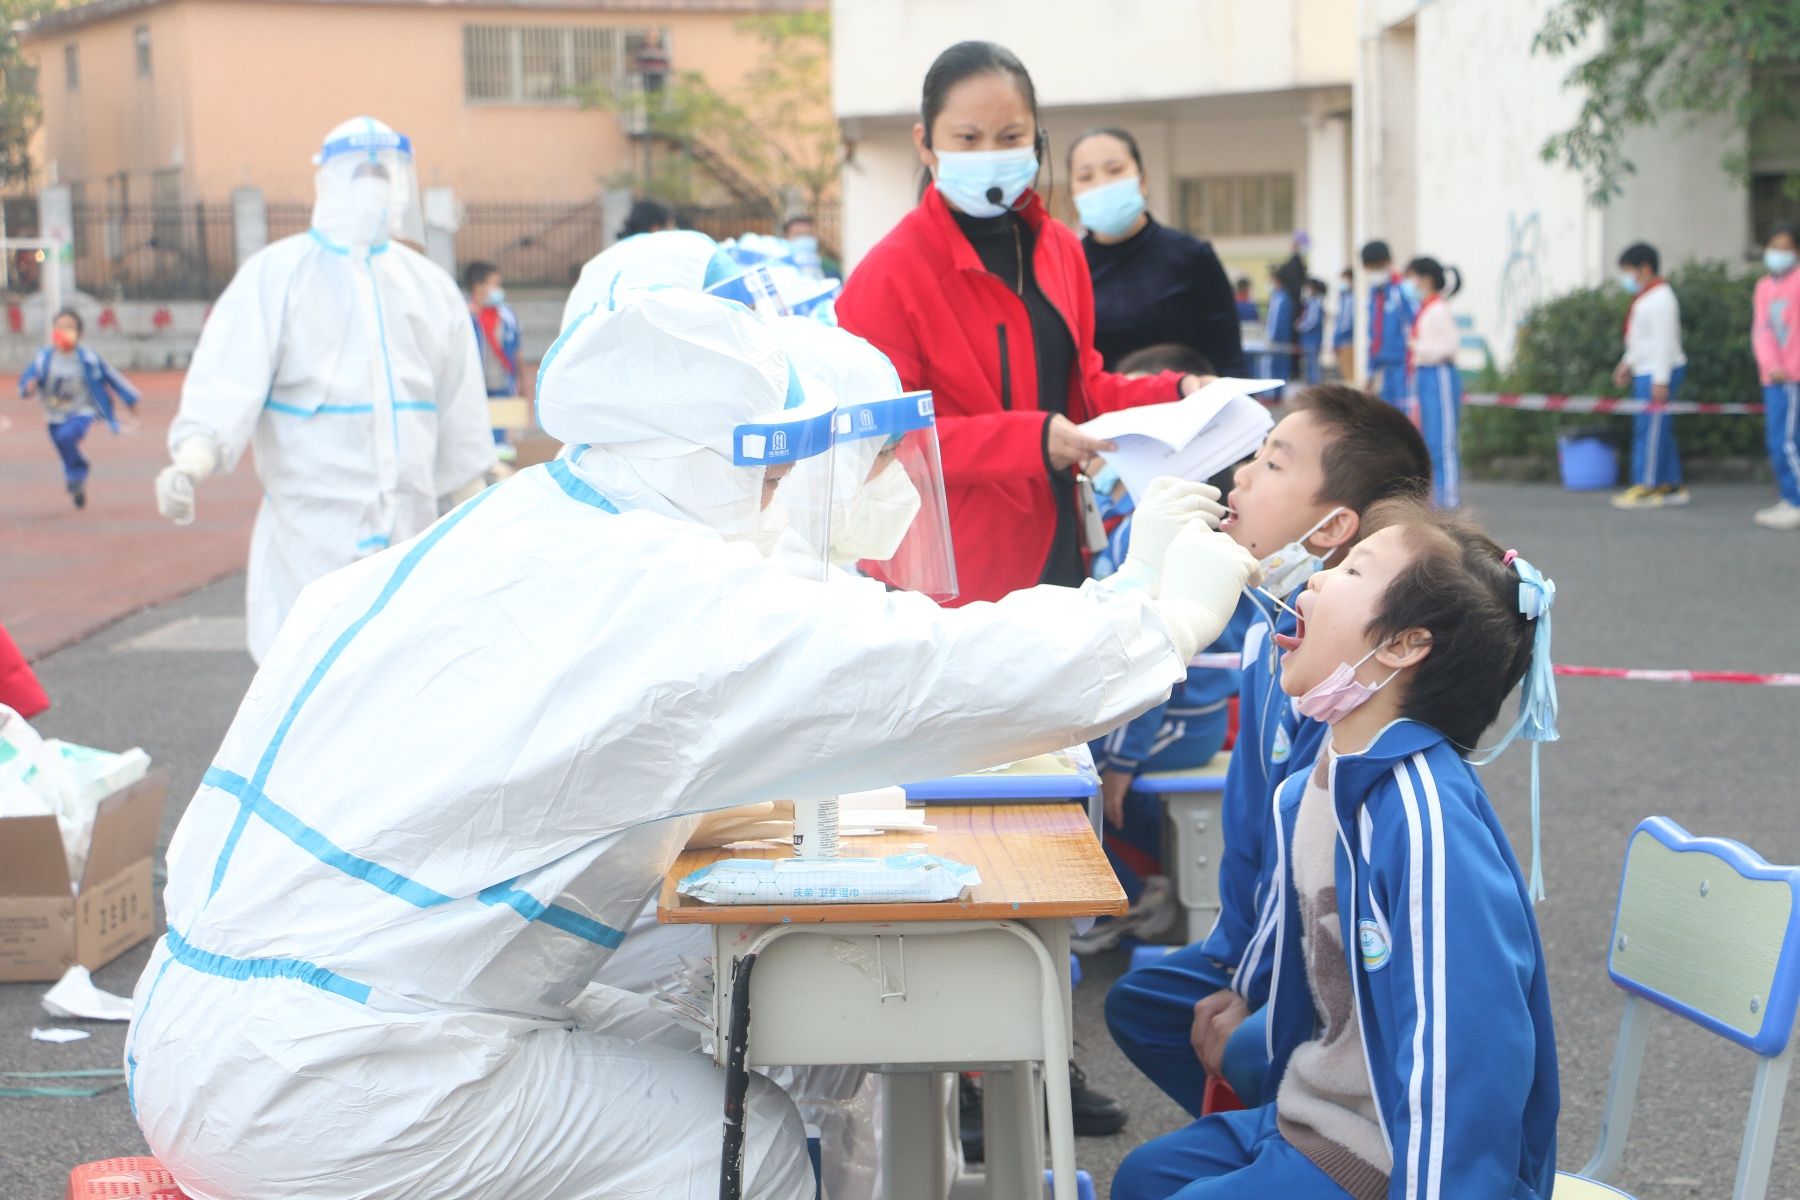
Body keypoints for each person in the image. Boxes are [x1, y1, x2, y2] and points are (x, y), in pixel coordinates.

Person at [124, 286, 1261, 1200]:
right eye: (770, 469)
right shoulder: (667, 589)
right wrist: (1156, 622)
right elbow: (924, 667)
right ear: (714, 457)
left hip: (209, 1024)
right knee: (749, 1147)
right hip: (341, 1080)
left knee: (717, 1058)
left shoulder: (517, 522)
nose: (780, 493)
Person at [1114, 500, 1559, 1200]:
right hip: (1311, 1114)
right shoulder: (1320, 775)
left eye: (1353, 568)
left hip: (1392, 1158)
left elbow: (1470, 1053)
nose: (1316, 580)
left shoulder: (1423, 816)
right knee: (1145, 1176)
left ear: (1404, 645)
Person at [1106, 385, 1431, 1117]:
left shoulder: (1348, 681)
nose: (1241, 476)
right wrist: (1232, 958)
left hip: (1332, 972)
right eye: (1251, 456)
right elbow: (1252, 843)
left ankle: (1296, 1141)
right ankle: (1269, 1133)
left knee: (1204, 1079)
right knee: (1143, 1003)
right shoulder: (1266, 639)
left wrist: (1250, 991)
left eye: (1272, 464)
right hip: (1272, 948)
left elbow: (1315, 880)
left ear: (1331, 528)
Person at [837, 40, 1217, 604]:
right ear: (926, 143)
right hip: (951, 574)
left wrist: (1178, 391)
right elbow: (884, 440)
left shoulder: (1061, 250)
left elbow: (1083, 389)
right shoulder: (889, 274)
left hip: (1059, 542)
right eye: (968, 138)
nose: (990, 153)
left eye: (1010, 137)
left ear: (1037, 140)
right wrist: (1032, 439)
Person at [152, 116, 495, 663]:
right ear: (328, 180)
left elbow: (459, 410)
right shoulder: (277, 276)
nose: (373, 183)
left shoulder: (428, 287)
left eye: (384, 170)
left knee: (404, 678)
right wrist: (191, 458)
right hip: (312, 538)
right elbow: (227, 378)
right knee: (309, 681)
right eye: (360, 170)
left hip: (411, 531)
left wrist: (477, 500)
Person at [1067, 127, 1247, 376]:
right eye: (1086, 177)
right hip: (1101, 414)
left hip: (1184, 410)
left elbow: (1229, 359)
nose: (1101, 184)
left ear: (1142, 180)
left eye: (1115, 170)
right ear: (1073, 192)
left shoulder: (1192, 257)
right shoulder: (1066, 266)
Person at [18, 307, 140, 508]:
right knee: (63, 446)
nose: (63, 330)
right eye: (59, 327)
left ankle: (78, 472)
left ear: (79, 333)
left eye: (69, 327)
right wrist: (27, 387)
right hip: (54, 414)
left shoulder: (88, 358)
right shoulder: (44, 358)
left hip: (82, 412)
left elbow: (113, 377)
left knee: (66, 437)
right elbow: (26, 381)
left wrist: (130, 400)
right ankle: (77, 484)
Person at [1611, 241, 1688, 510]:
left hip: (1656, 372)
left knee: (1650, 431)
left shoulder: (1661, 298)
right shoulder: (1647, 297)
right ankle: (1671, 484)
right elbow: (1641, 340)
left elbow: (1664, 342)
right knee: (1659, 429)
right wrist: (1627, 363)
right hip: (1645, 370)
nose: (1626, 277)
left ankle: (1648, 484)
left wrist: (1661, 379)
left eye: (1628, 270)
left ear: (1644, 268)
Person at [1751, 222, 1800, 531]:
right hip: (1774, 377)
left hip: (1794, 376)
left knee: (1788, 442)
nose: (1778, 254)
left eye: (1786, 248)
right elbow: (1761, 331)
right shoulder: (1764, 287)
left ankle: (1796, 501)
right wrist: (1771, 365)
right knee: (1777, 440)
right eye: (1773, 247)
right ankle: (1788, 497)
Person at [1404, 255, 1464, 507]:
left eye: (1413, 277)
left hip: (1438, 373)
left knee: (1443, 440)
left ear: (1426, 279)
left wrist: (1417, 346)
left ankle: (1447, 500)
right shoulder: (1427, 308)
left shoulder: (1438, 309)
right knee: (1430, 440)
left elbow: (1447, 347)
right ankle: (1437, 498)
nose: (1410, 284)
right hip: (1425, 375)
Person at [465, 260, 521, 464]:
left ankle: (500, 473)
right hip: (475, 388)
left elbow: (516, 350)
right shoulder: (463, 316)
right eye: (495, 284)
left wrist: (520, 381)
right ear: (479, 286)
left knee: (502, 442)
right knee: (477, 436)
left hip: (501, 386)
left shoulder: (505, 315)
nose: (499, 290)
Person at [1361, 240, 1415, 408]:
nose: (1372, 272)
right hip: (1385, 367)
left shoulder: (1403, 290)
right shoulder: (1375, 293)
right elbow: (1374, 333)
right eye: (1369, 269)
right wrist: (1370, 371)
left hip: (1404, 365)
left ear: (1387, 263)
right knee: (1388, 415)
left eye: (1376, 267)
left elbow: (1414, 325)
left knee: (1404, 414)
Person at [1257, 259, 1303, 383]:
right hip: (1281, 340)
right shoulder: (1282, 298)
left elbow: (1276, 323)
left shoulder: (1280, 299)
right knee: (1280, 368)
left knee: (1275, 368)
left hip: (1277, 341)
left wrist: (1270, 337)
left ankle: (1273, 395)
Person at [781, 214, 841, 279]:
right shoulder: (777, 267)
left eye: (808, 234)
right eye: (798, 235)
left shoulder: (829, 268)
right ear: (785, 238)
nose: (804, 239)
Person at [1298, 278, 1326, 386]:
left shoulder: (1315, 304)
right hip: (1308, 340)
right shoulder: (1310, 303)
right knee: (1309, 366)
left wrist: (1300, 325)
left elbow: (1312, 322)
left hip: (1312, 340)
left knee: (1313, 366)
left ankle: (1315, 388)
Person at [1330, 268, 1355, 382]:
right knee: (1345, 373)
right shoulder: (1343, 297)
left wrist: (1339, 337)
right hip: (1341, 340)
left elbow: (1346, 322)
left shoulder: (1351, 298)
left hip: (1347, 341)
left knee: (1350, 375)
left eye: (1344, 280)